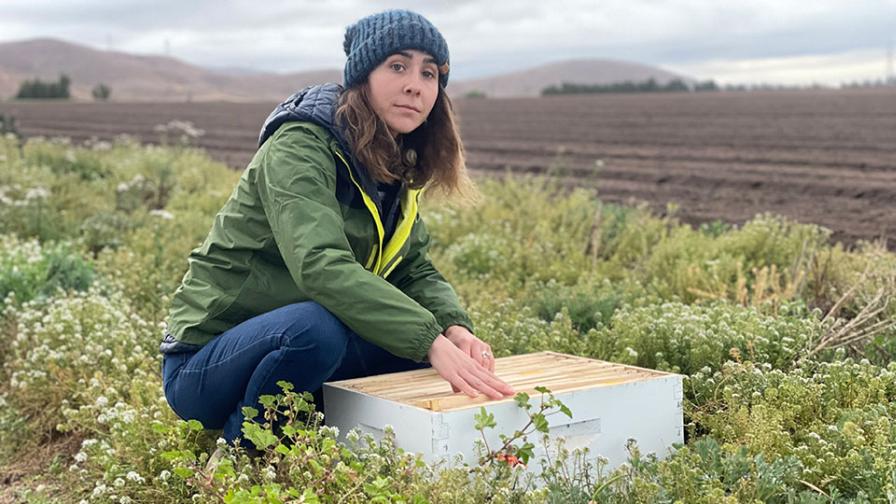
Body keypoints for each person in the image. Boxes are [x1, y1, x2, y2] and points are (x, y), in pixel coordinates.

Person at [159, 9, 515, 447]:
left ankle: (328, 444)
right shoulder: (300, 145)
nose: (414, 85)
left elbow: (412, 270)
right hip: (207, 365)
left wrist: (453, 330)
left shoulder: (392, 162)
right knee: (318, 329)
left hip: (293, 342)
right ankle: (244, 452)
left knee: (416, 346)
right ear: (362, 76)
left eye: (429, 73)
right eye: (398, 66)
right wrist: (428, 340)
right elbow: (320, 265)